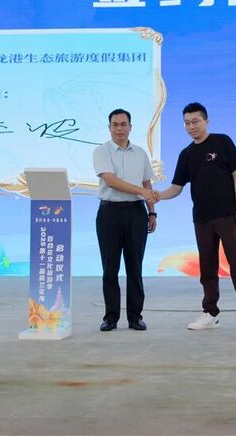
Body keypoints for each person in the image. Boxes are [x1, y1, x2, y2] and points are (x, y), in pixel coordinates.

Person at [156, 102, 236, 330]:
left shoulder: (222, 142)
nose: (191, 126)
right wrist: (158, 196)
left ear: (206, 121)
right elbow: (176, 188)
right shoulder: (186, 155)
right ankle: (210, 313)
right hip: (202, 219)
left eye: (195, 121)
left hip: (228, 216)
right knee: (207, 267)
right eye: (187, 123)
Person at [93, 108, 158, 332]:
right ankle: (110, 317)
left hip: (136, 213)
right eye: (115, 125)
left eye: (123, 124)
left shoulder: (140, 153)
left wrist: (151, 212)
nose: (119, 128)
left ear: (130, 127)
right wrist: (141, 191)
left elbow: (147, 183)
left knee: (135, 267)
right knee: (109, 268)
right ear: (109, 127)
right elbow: (110, 181)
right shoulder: (101, 151)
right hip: (109, 213)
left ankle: (135, 317)